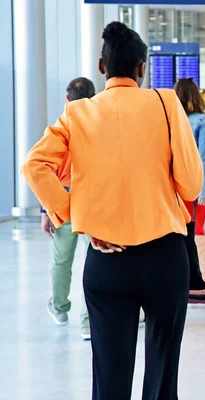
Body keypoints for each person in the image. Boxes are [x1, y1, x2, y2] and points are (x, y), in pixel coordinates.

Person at [22, 22, 203, 399]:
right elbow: (191, 185)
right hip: (164, 255)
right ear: (142, 68)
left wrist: (76, 215)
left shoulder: (77, 113)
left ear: (101, 68)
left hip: (107, 259)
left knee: (108, 379)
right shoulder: (166, 103)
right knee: (162, 375)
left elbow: (34, 165)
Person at [41, 77, 95, 340]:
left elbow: (43, 169)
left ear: (67, 99)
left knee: (62, 259)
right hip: (92, 196)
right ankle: (87, 322)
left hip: (63, 196)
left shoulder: (59, 129)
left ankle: (60, 309)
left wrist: (46, 211)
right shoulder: (98, 127)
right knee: (92, 258)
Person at [175, 78, 205, 235]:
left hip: (174, 184)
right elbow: (204, 157)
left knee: (177, 232)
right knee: (196, 232)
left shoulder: (171, 119)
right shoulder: (203, 121)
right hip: (194, 183)